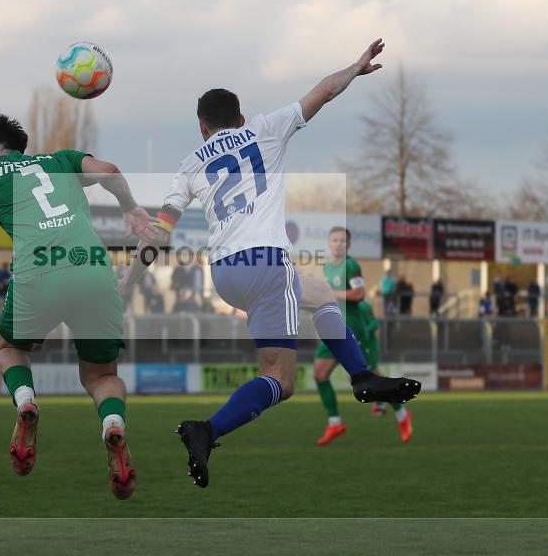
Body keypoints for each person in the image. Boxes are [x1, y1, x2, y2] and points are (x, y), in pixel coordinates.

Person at [118, 39, 420, 488]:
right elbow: (322, 91)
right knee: (281, 379)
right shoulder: (263, 129)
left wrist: (126, 285)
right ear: (239, 119)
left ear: (203, 128)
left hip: (224, 272)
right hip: (265, 264)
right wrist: (355, 68)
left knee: (317, 292)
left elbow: (159, 234)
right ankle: (208, 430)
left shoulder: (188, 165)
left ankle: (361, 377)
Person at [0, 114, 157, 499]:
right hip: (93, 270)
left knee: (11, 349)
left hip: (38, 272)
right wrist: (131, 209)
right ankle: (112, 424)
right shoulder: (61, 161)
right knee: (101, 377)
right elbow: (110, 171)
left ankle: (25, 402)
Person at [314, 227, 411, 445]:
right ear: (329, 244)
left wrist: (332, 293)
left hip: (353, 329)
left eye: (342, 241)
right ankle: (335, 422)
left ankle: (402, 415)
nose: (338, 244)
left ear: (348, 245)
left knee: (370, 383)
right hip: (332, 328)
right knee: (319, 375)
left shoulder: (351, 265)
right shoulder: (328, 267)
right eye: (334, 240)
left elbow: (359, 294)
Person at [362, 300, 412, 442]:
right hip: (353, 346)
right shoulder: (339, 304)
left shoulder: (362, 306)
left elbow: (374, 323)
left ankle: (401, 414)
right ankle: (381, 403)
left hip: (367, 347)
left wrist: (363, 330)